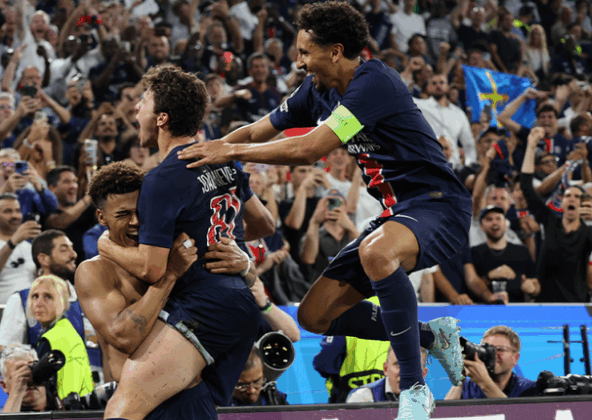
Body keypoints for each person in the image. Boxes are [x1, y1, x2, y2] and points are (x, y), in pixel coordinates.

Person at [177, 2, 470, 417]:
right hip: (396, 214)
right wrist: (205, 151)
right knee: (315, 315)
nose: (298, 62)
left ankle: (414, 388)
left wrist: (230, 152)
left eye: (304, 52)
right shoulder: (316, 89)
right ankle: (431, 336)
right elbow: (259, 129)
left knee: (376, 252)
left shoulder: (374, 83)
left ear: (335, 51)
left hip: (439, 206)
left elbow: (308, 149)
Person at [95, 65, 276, 420]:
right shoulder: (224, 162)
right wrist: (222, 239)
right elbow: (265, 224)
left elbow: (152, 268)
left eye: (143, 102)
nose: (136, 108)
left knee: (122, 409)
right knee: (181, 406)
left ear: (161, 118)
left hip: (204, 307)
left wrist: (106, 246)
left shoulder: (161, 179)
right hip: (241, 302)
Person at [519, 127, 592, 302]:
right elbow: (526, 186)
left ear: (582, 204)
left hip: (577, 307)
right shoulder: (550, 221)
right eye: (568, 195)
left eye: (577, 196)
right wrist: (531, 145)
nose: (572, 198)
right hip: (546, 305)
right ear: (562, 202)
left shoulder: (588, 233)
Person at [26, 275, 94, 399]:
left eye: (48, 297)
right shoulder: (66, 329)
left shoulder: (51, 339)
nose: (39, 303)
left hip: (63, 407)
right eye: (35, 296)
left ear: (62, 302)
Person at [0, 194, 40, 304]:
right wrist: (13, 242)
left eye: (18, 211)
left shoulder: (28, 246)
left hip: (30, 307)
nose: (15, 216)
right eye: (7, 211)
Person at [470, 205, 540, 303]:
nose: (494, 223)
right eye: (489, 219)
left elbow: (536, 284)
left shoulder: (521, 251)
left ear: (505, 224)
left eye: (498, 219)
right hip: (484, 310)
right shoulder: (474, 252)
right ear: (481, 227)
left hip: (516, 310)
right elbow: (469, 287)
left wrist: (532, 288)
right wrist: (489, 276)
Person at [445, 326, 537, 399]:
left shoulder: (529, 389)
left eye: (499, 349)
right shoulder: (468, 387)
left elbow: (515, 414)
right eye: (486, 349)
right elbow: (445, 413)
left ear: (515, 358)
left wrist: (485, 383)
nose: (493, 355)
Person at [346, 346, 429, 403]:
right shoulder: (363, 397)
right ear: (385, 369)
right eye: (398, 365)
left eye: (413, 367)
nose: (404, 374)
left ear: (423, 374)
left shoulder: (428, 402)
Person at [0, 344, 49, 413]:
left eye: (32, 370)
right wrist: (17, 393)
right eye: (19, 375)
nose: (28, 380)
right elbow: (4, 417)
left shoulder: (61, 402)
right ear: (4, 386)